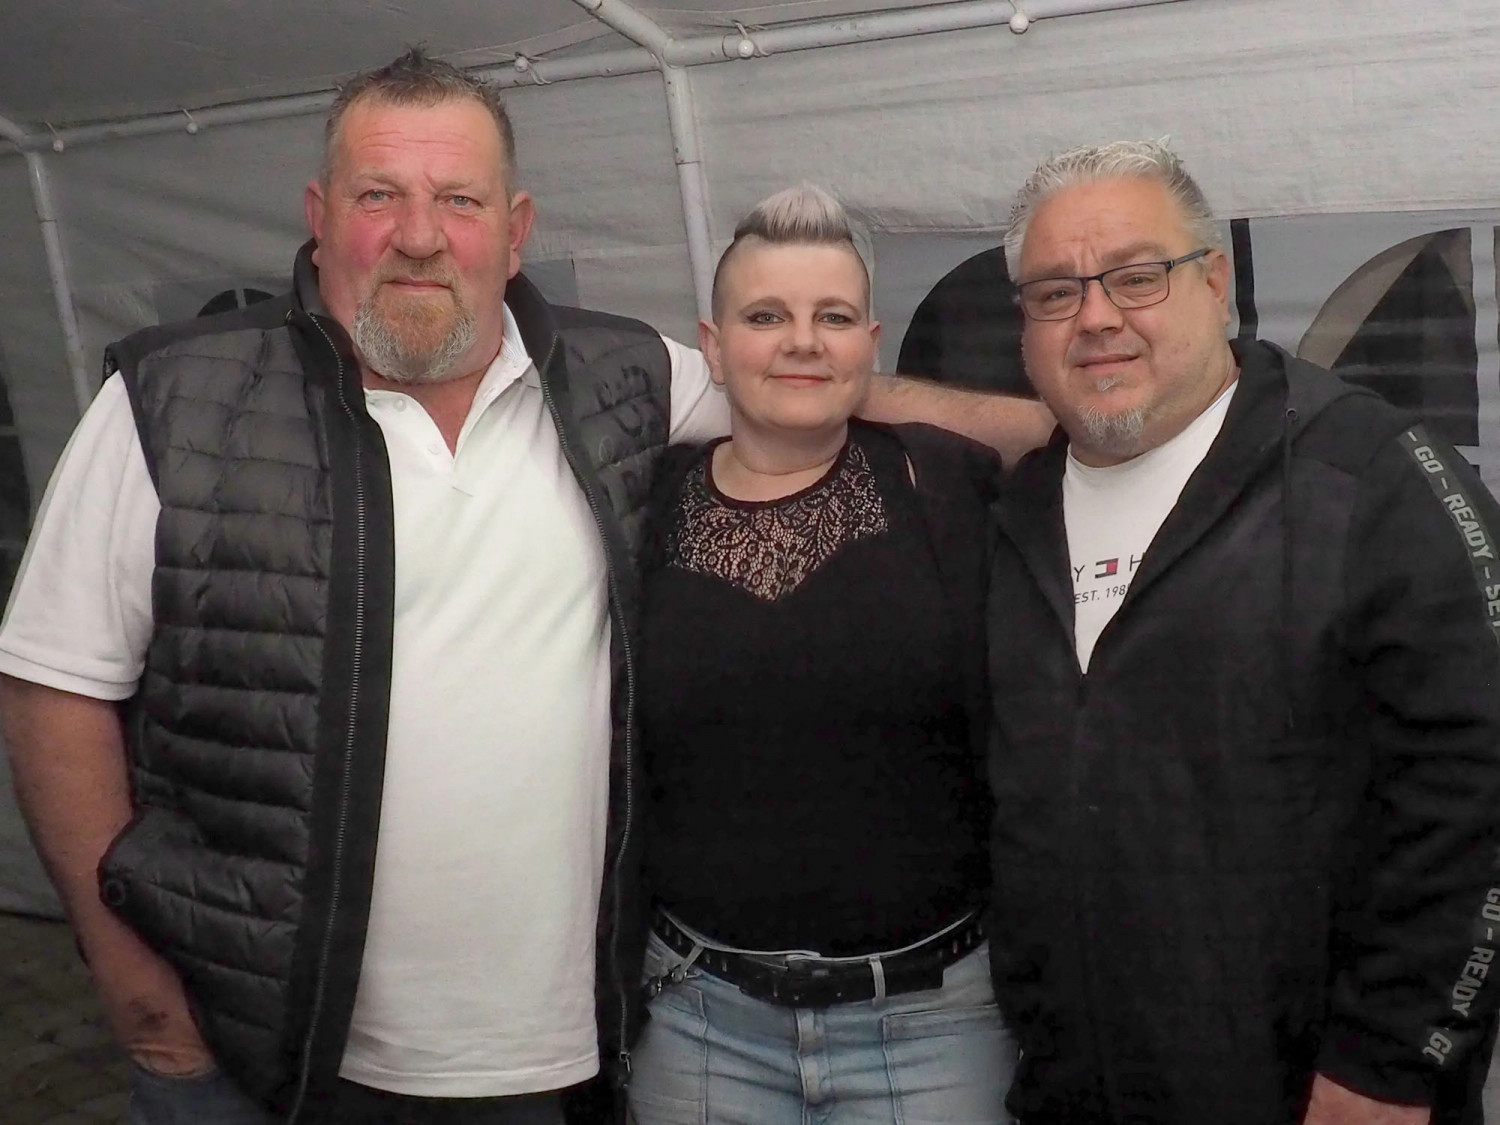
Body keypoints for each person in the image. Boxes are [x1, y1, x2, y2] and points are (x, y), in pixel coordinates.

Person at [0, 49, 1052, 1125]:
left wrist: (1073, 427)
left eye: (459, 201)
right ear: (320, 217)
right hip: (257, 1051)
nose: (419, 235)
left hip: (546, 1060)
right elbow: (51, 690)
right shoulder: (175, 400)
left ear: (516, 231)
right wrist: (143, 1000)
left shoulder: (620, 380)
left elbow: (802, 386)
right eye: (379, 196)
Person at [983, 138, 1500, 1125]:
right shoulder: (1016, 517)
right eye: (1056, 292)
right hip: (1072, 1089)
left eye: (1137, 276)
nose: (1097, 316)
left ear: (1215, 283)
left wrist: (1393, 1065)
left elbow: (1478, 787)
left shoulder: (1367, 477)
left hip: (1321, 1097)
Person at [626, 185, 1014, 1125]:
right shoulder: (640, 505)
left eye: (832, 318)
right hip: (700, 1025)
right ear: (713, 346)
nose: (802, 340)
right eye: (766, 317)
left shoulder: (944, 481)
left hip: (932, 1026)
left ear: (870, 343)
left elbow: (1077, 429)